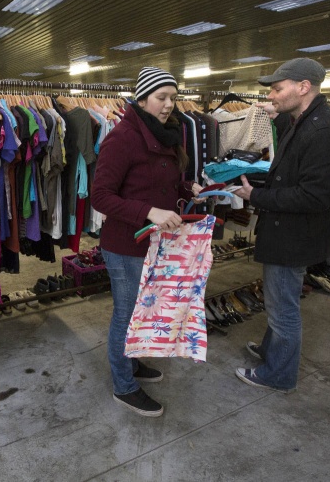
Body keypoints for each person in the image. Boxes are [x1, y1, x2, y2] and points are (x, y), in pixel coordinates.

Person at [234, 58, 330, 393]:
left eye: (277, 88)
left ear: (303, 87)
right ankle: (272, 351)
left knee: (283, 307)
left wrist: (256, 195)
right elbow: (296, 162)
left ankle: (279, 374)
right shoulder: (303, 120)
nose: (271, 95)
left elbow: (316, 196)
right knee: (278, 300)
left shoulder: (324, 131)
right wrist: (279, 121)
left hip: (295, 237)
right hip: (287, 233)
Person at [92, 67, 203, 416]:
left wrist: (187, 189)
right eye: (161, 97)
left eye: (173, 97)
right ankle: (124, 386)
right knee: (125, 315)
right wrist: (149, 212)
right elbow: (100, 196)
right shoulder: (123, 138)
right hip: (126, 246)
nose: (169, 104)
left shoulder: (167, 132)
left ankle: (133, 363)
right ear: (142, 99)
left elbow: (156, 182)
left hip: (154, 245)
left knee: (141, 312)